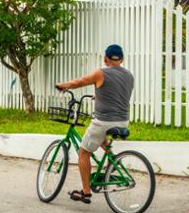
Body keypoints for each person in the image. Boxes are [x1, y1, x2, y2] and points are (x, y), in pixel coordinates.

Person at [56, 43, 134, 204]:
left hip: (104, 122)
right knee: (100, 138)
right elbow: (118, 94)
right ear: (122, 59)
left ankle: (86, 192)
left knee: (84, 153)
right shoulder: (129, 75)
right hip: (123, 121)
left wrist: (64, 85)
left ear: (105, 59)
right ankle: (107, 158)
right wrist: (99, 96)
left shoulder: (101, 73)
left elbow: (81, 81)